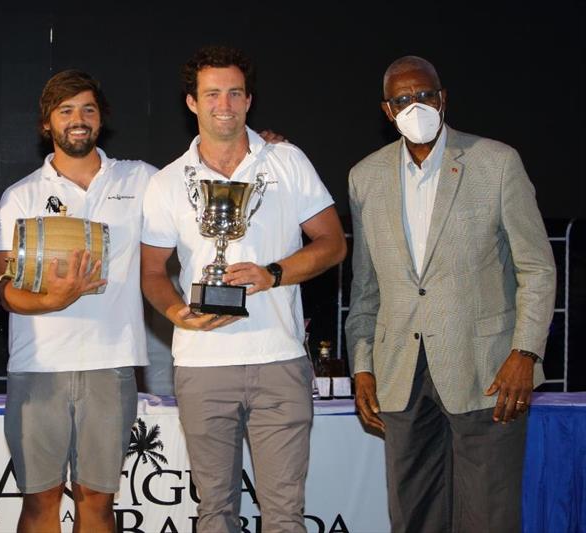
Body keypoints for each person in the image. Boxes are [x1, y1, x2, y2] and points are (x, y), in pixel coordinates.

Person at [345, 55, 556, 532]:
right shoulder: (365, 177)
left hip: (488, 373)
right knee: (413, 516)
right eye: (403, 99)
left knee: (488, 517)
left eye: (424, 95)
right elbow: (365, 287)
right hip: (400, 374)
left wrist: (525, 352)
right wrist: (362, 367)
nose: (415, 105)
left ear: (443, 99)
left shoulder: (496, 162)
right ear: (387, 110)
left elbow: (537, 268)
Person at [140, 45, 347, 533]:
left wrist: (273, 274)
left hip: (278, 360)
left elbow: (333, 243)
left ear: (250, 100)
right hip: (201, 366)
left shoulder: (287, 162)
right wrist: (175, 313)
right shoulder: (168, 182)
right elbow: (151, 272)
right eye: (212, 94)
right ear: (192, 102)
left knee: (284, 516)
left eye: (234, 93)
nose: (224, 105)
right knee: (214, 515)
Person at [0, 69, 156, 533]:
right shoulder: (19, 196)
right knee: (40, 503)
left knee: (98, 503)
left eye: (87, 108)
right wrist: (54, 300)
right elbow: (8, 292)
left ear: (101, 119)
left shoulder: (141, 179)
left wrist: (254, 145)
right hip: (38, 368)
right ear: (48, 123)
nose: (78, 119)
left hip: (112, 363)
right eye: (65, 111)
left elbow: (198, 181)